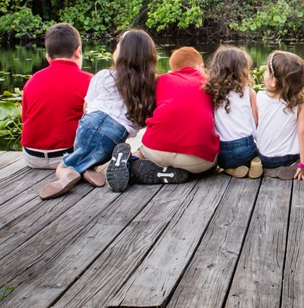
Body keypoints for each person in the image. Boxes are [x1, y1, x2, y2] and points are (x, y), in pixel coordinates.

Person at [38, 29, 157, 199]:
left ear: (121, 55)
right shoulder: (150, 88)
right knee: (98, 156)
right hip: (116, 134)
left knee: (65, 164)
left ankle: (68, 174)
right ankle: (93, 169)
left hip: (90, 124)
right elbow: (142, 121)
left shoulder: (103, 76)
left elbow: (86, 107)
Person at [119, 47, 218, 189]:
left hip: (157, 152)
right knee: (213, 159)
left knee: (142, 151)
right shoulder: (209, 83)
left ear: (172, 70)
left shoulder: (161, 80)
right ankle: (182, 172)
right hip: (197, 160)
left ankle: (131, 161)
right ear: (201, 67)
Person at [20, 23, 93, 169]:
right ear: (78, 51)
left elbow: (25, 119)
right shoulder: (90, 81)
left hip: (32, 157)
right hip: (68, 156)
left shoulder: (32, 80)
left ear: (48, 57)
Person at [204, 46, 262, 179]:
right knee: (257, 154)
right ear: (241, 71)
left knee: (222, 163)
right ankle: (255, 162)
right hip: (247, 148)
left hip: (223, 152)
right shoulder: (249, 92)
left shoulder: (212, 93)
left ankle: (229, 169)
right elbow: (257, 121)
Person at [256, 50, 304, 180]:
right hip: (289, 158)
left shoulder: (259, 97)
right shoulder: (299, 102)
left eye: (267, 71)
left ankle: (265, 168)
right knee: (301, 156)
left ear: (274, 81)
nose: (264, 73)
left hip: (265, 158)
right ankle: (295, 166)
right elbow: (303, 132)